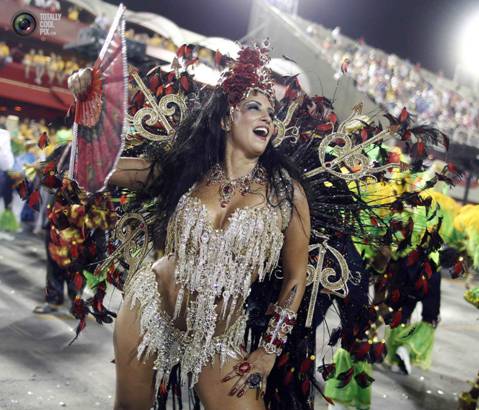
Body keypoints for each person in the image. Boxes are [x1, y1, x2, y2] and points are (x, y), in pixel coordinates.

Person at [68, 46, 311, 410]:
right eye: (254, 107)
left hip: (217, 339)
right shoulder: (188, 171)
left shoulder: (284, 192)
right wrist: (89, 107)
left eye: (272, 112)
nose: (267, 119)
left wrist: (268, 350)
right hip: (150, 308)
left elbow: (295, 276)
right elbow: (91, 169)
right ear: (226, 119)